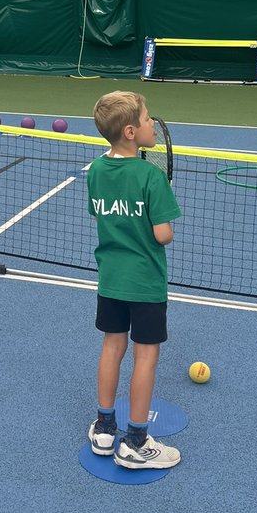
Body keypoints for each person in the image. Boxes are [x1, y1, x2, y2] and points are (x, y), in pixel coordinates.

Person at [86, 91, 182, 470]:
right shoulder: (151, 176)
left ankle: (105, 428)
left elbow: (105, 214)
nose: (152, 124)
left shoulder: (95, 170)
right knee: (146, 356)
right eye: (146, 119)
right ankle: (136, 441)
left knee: (112, 346)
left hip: (110, 278)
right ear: (130, 131)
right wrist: (162, 205)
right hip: (145, 282)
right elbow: (163, 235)